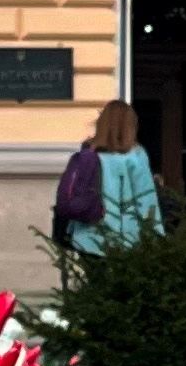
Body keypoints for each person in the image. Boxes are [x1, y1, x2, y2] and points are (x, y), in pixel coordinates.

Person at [69, 99, 162, 254]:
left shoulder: (87, 154)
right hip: (124, 239)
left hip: (86, 236)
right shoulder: (136, 156)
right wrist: (155, 235)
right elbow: (145, 199)